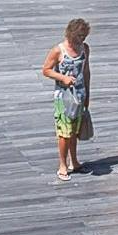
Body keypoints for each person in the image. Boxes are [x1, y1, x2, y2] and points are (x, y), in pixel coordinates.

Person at [42, 19, 93, 178]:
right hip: (63, 98)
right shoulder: (58, 51)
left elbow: (86, 72)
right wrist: (62, 78)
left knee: (74, 132)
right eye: (80, 36)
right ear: (71, 34)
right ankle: (62, 165)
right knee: (64, 132)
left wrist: (88, 94)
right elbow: (46, 70)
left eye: (84, 36)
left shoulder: (84, 49)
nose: (82, 39)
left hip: (79, 95)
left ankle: (75, 161)